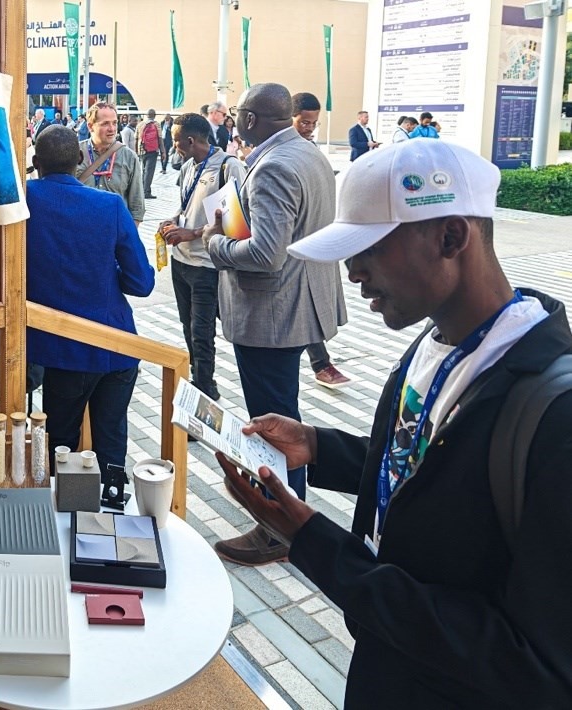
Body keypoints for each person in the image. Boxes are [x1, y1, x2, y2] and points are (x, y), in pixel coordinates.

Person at [218, 138, 572, 707]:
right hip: (388, 665)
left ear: (450, 237)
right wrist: (318, 446)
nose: (353, 273)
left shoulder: (552, 415)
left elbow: (535, 662)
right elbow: (430, 466)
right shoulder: (434, 343)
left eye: (369, 249)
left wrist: (315, 543)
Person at [205, 82, 347, 563]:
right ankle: (283, 510)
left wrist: (216, 242)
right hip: (297, 304)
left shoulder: (274, 166)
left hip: (272, 314)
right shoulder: (307, 153)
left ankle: (280, 528)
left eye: (238, 114)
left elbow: (266, 254)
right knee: (283, 413)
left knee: (273, 422)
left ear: (249, 119)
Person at [27, 126, 155, 478]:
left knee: (60, 445)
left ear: (36, 161)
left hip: (62, 349)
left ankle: (62, 507)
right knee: (111, 439)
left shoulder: (23, 200)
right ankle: (112, 498)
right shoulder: (109, 205)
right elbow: (142, 283)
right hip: (116, 345)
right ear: (80, 159)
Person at [159, 113, 247, 401]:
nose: (173, 146)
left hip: (206, 264)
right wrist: (173, 221)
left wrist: (192, 233)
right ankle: (201, 378)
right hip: (181, 262)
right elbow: (187, 206)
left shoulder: (227, 166)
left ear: (190, 140)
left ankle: (205, 390)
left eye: (175, 141)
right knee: (188, 326)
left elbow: (233, 222)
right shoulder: (188, 166)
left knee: (202, 331)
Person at [291, 92, 351, 389]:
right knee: (305, 305)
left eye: (314, 123)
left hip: (314, 238)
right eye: (304, 122)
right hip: (288, 245)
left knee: (310, 304)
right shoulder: (279, 153)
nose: (310, 128)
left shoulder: (311, 150)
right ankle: (321, 363)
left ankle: (321, 362)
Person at [77, 102, 145, 225]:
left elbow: (137, 206)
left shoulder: (129, 157)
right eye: (105, 124)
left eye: (114, 123)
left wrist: (128, 233)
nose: (112, 129)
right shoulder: (74, 153)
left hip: (115, 230)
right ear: (90, 126)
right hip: (80, 228)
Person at [135, 109, 164, 199]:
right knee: (149, 171)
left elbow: (136, 139)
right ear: (154, 115)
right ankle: (146, 192)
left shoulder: (140, 124)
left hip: (141, 150)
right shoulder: (156, 124)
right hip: (152, 150)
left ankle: (141, 191)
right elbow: (160, 138)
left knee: (143, 170)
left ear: (147, 115)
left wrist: (136, 151)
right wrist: (163, 152)